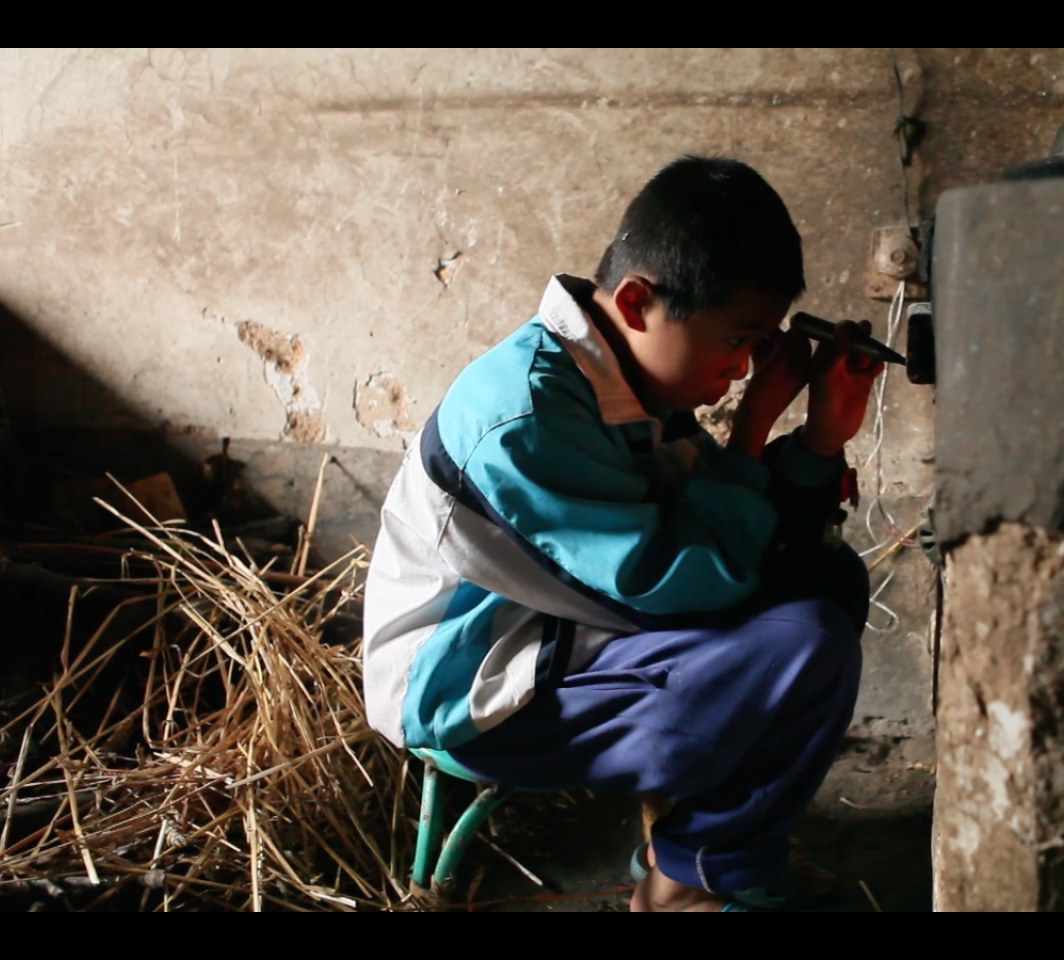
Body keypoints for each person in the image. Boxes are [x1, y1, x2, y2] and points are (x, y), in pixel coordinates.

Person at [362, 155, 883, 911]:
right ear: (638, 301)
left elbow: (742, 540)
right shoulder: (527, 416)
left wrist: (820, 444)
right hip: (474, 685)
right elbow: (682, 586)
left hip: (568, 635)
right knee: (801, 645)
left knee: (826, 586)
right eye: (738, 341)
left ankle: (691, 846)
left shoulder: (625, 382)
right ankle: (689, 880)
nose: (742, 369)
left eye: (760, 349)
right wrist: (756, 427)